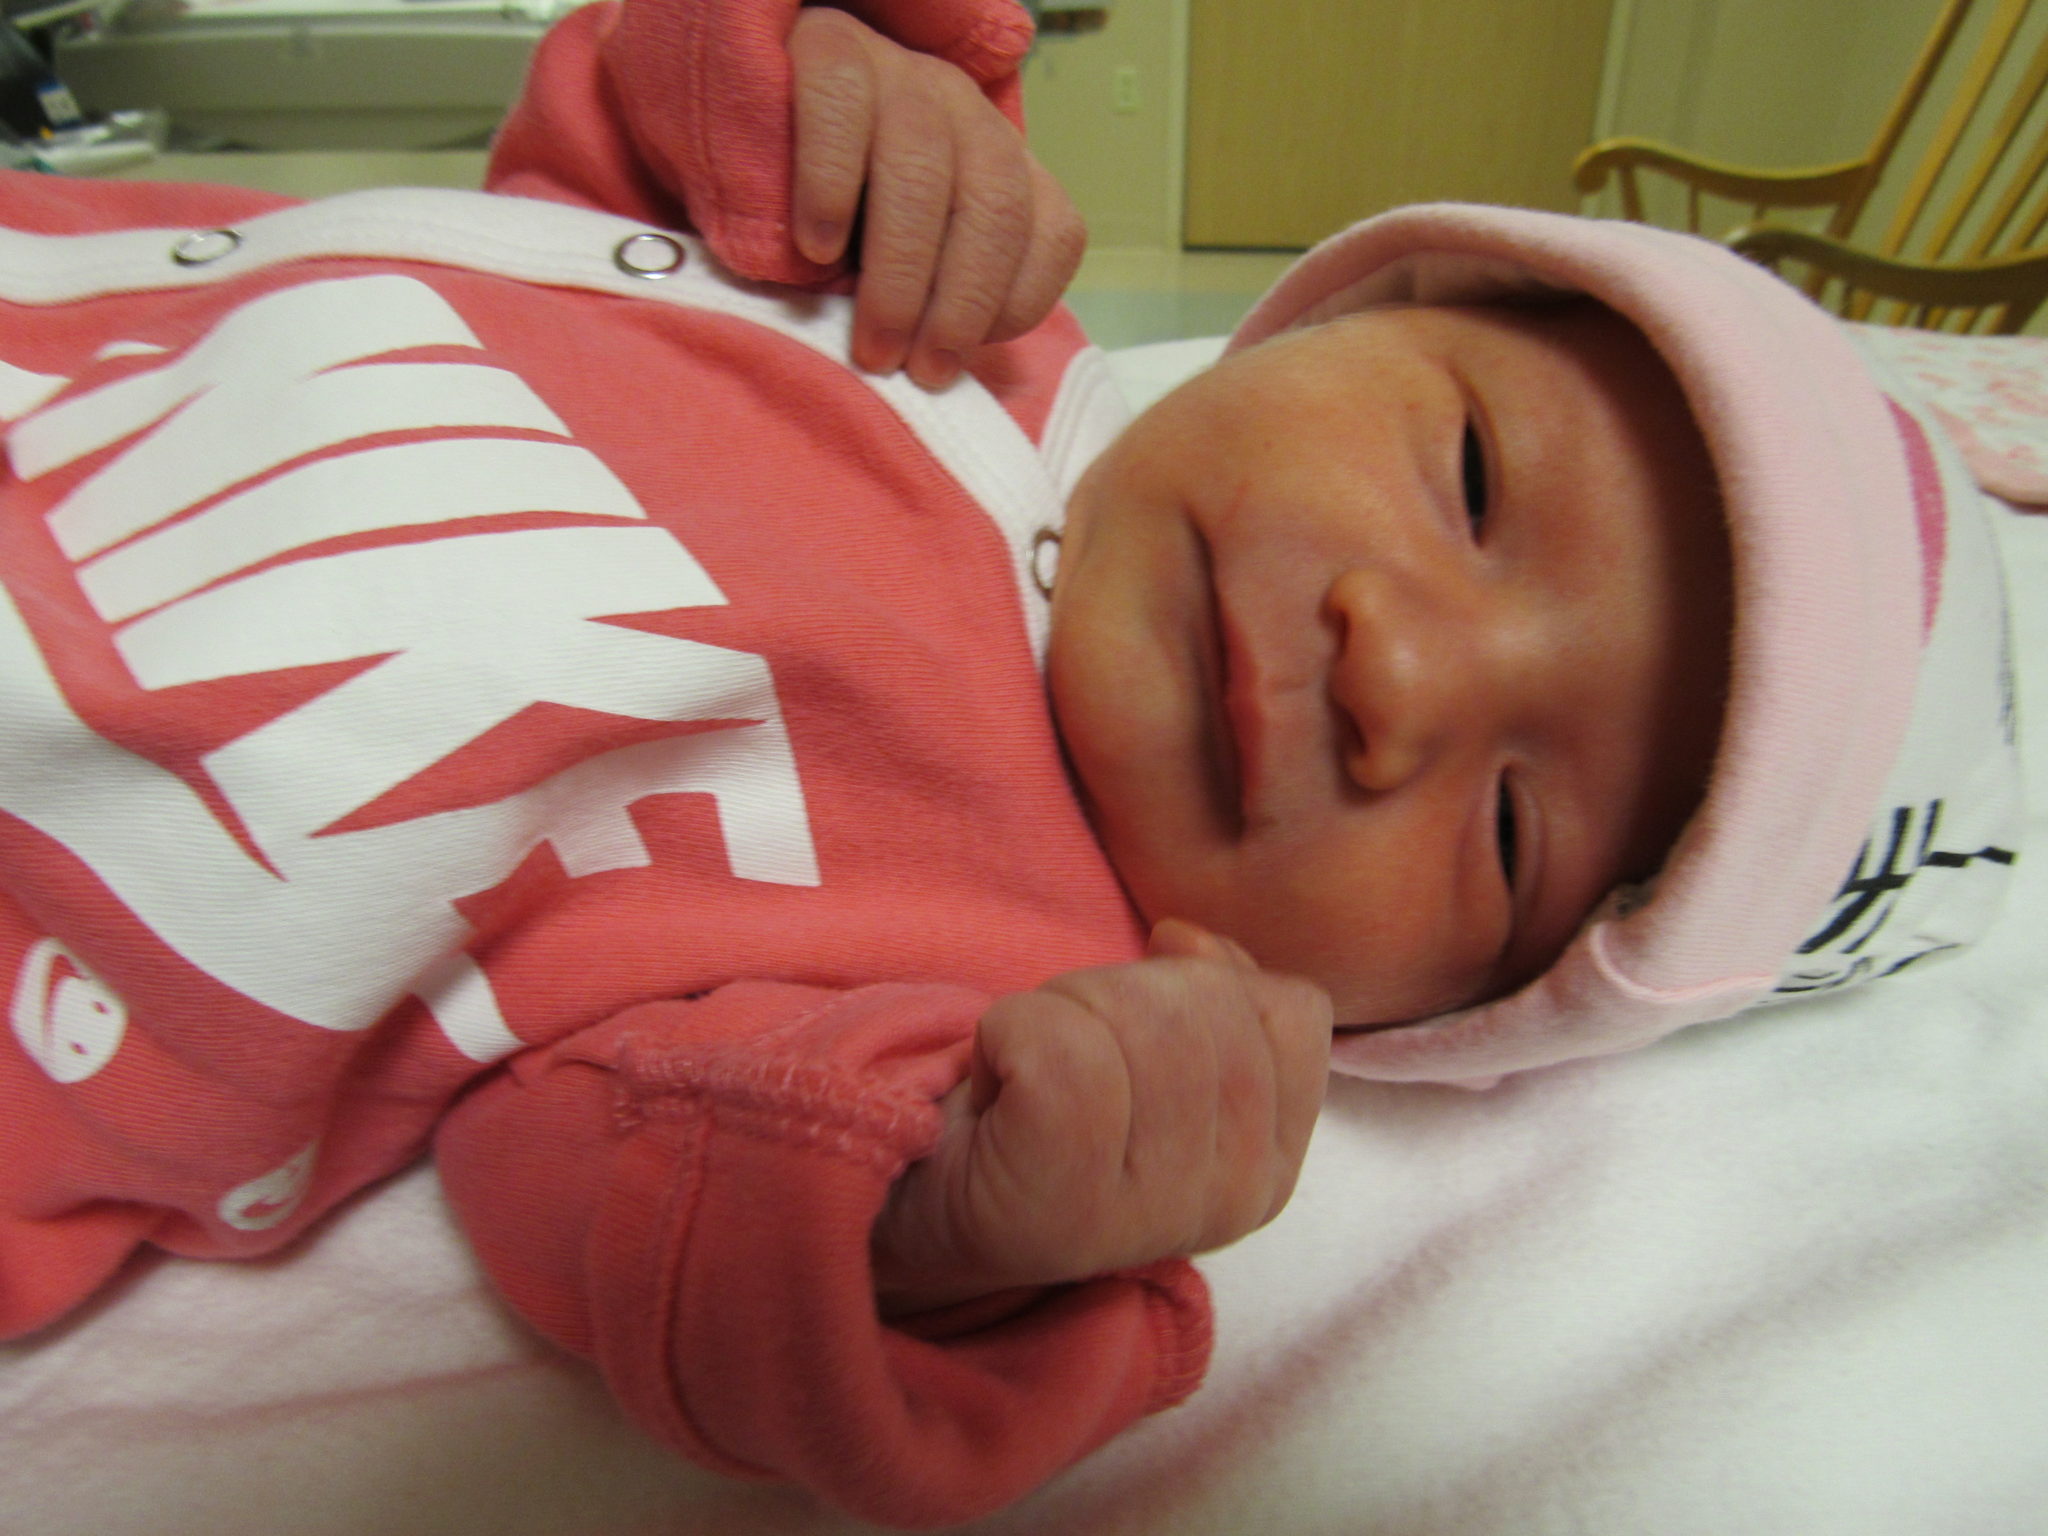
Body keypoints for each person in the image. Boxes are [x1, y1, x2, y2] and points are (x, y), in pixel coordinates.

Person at [0, 0, 2021, 1526]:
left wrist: (955, 1220)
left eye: (1511, 824)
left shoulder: (984, 979)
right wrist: (823, 75)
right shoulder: (953, 286)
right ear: (1369, 304)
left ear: (1436, 1023)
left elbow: (622, 1193)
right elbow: (606, 126)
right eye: (1476, 479)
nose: (1396, 667)